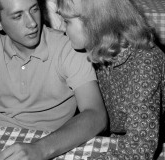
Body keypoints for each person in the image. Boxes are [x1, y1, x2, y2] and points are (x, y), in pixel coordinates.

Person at [0, 0, 107, 160]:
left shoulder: (68, 48)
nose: (32, 23)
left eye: (34, 9)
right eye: (18, 16)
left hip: (54, 143)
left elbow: (96, 114)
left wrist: (40, 149)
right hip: (1, 139)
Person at [57, 0, 165, 159]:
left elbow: (141, 147)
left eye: (66, 22)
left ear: (93, 23)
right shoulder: (98, 48)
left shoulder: (145, 62)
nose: (61, 29)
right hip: (115, 137)